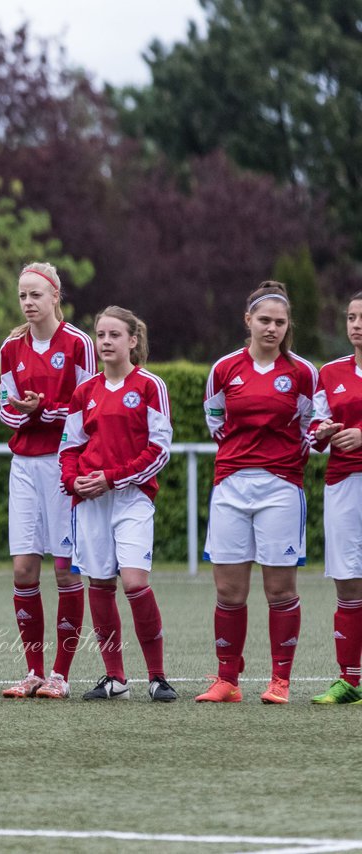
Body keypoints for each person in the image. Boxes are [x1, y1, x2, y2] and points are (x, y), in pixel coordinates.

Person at [196, 281, 317, 704]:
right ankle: (227, 680)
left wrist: (281, 465)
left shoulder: (302, 373)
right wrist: (240, 456)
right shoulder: (224, 368)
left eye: (280, 322)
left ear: (288, 326)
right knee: (229, 591)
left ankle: (280, 681)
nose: (272, 328)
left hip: (281, 487)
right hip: (230, 485)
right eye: (264, 320)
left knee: (280, 591)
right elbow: (215, 419)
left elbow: (309, 428)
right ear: (248, 321)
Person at [59, 306, 177, 702]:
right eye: (100, 334)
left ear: (133, 340)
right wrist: (73, 481)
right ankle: (115, 679)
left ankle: (158, 677)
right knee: (100, 582)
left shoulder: (149, 386)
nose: (105, 341)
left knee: (134, 582)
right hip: (90, 502)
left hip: (131, 499)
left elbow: (159, 450)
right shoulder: (84, 392)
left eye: (114, 334)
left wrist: (111, 478)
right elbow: (70, 448)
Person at [0, 262, 96, 700]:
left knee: (65, 570)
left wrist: (44, 410)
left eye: (36, 294)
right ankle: (33, 671)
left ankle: (61, 673)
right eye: (22, 295)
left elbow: (90, 407)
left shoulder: (78, 344)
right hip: (23, 465)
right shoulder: (10, 347)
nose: (28, 303)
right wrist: (22, 410)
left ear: (56, 296)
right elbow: (3, 410)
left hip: (63, 463)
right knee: (23, 569)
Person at [307, 291, 362, 704]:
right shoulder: (330, 373)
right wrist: (322, 433)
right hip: (343, 483)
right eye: (351, 317)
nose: (356, 324)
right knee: (347, 580)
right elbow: (312, 437)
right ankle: (351, 681)